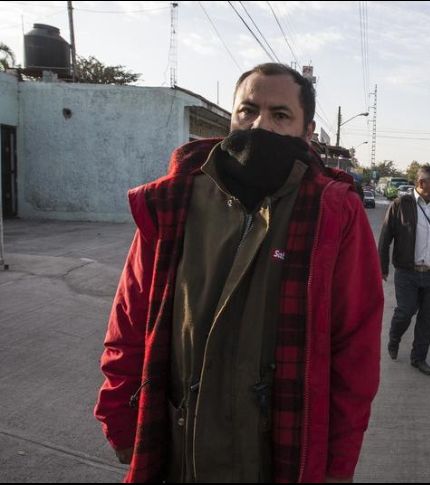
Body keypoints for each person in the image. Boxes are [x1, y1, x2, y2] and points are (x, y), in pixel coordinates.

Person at [94, 63, 383, 483]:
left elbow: (354, 352)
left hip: (279, 453)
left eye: (280, 115)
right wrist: (119, 417)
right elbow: (129, 320)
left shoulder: (332, 213)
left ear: (307, 131)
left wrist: (337, 466)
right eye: (247, 110)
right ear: (232, 116)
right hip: (181, 448)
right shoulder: (175, 199)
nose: (260, 124)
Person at [378, 166, 430, 376]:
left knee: (428, 319)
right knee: (405, 312)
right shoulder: (400, 205)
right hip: (407, 272)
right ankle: (394, 337)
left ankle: (419, 358)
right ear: (421, 183)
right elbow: (385, 237)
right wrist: (382, 266)